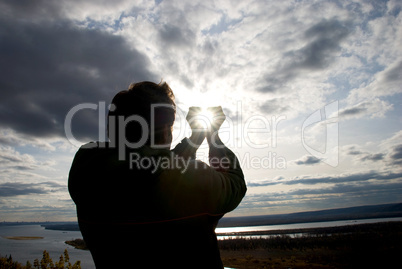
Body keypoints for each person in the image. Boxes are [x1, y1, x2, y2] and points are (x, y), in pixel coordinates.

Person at [68, 81, 246, 268]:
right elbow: (233, 182)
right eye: (170, 128)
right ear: (163, 133)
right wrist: (213, 137)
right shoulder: (192, 182)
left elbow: (157, 169)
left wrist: (196, 138)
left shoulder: (88, 176)